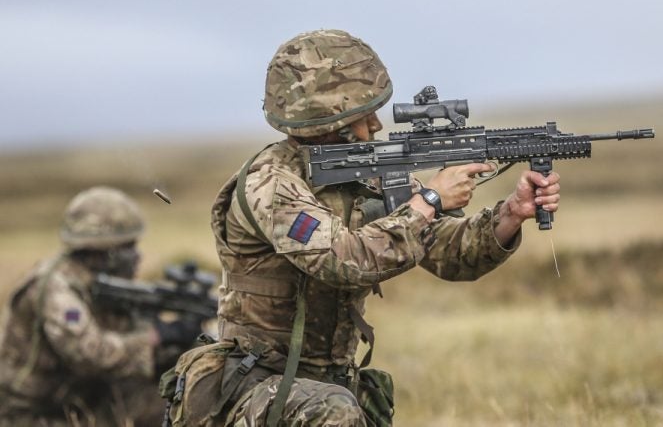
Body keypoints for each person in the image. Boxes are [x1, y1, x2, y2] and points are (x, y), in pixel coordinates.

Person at [165, 29, 561, 426]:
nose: (375, 125)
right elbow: (343, 260)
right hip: (253, 386)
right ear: (328, 118)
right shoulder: (270, 184)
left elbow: (452, 256)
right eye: (362, 115)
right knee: (334, 411)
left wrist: (511, 213)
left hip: (324, 389)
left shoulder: (364, 175)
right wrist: (430, 200)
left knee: (341, 405)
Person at [0, 186, 201, 427]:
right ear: (105, 250)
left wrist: (182, 346)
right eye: (128, 247)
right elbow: (93, 355)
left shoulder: (103, 285)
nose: (137, 255)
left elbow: (128, 345)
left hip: (83, 401)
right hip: (28, 414)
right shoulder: (56, 288)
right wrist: (157, 336)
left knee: (177, 399)